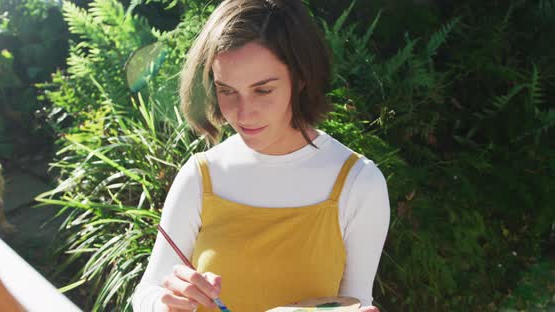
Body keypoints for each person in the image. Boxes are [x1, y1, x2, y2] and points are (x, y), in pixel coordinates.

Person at [131, 0, 390, 311]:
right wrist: (166, 302)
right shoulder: (201, 176)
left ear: (301, 78)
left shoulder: (359, 184)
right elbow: (146, 293)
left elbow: (355, 303)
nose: (243, 113)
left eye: (263, 90)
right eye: (226, 90)